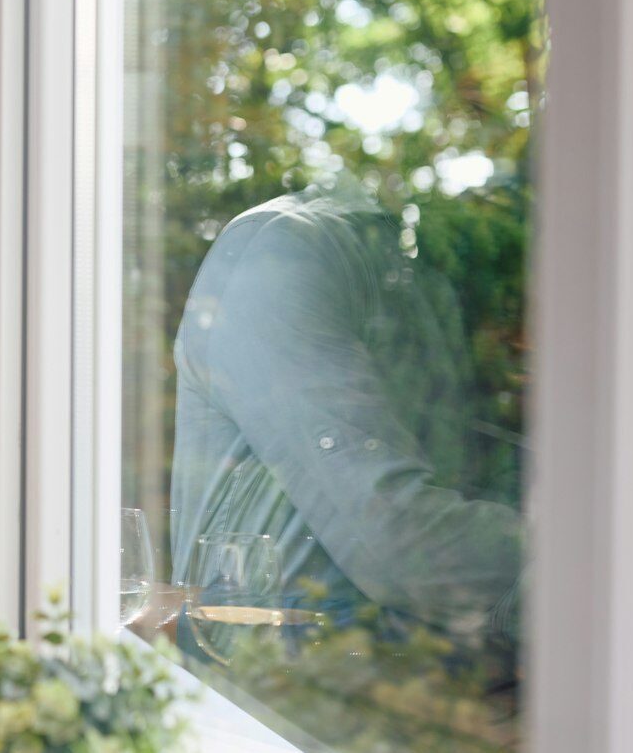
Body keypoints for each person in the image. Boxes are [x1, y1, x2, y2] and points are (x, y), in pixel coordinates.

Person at [169, 185, 523, 649]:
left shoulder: (425, 283)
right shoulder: (289, 251)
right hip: (279, 694)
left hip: (403, 675)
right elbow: (395, 541)